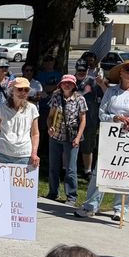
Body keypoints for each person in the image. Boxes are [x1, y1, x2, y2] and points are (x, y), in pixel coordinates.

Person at [76, 60, 129, 221]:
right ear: (121, 73)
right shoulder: (111, 92)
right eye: (128, 70)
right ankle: (90, 206)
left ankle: (120, 209)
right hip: (111, 137)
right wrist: (115, 118)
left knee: (126, 173)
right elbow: (102, 113)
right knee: (101, 171)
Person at [46, 74, 87, 206]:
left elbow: (83, 120)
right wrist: (50, 127)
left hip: (71, 137)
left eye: (69, 83)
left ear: (74, 85)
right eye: (64, 83)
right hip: (56, 136)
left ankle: (71, 196)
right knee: (53, 166)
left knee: (71, 168)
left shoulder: (80, 99)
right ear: (61, 85)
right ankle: (53, 192)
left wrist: (78, 137)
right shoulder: (56, 97)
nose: (67, 85)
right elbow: (50, 116)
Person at [0, 77, 39, 167]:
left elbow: (35, 134)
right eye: (19, 89)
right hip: (2, 154)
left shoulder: (32, 109)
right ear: (12, 90)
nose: (23, 92)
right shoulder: (1, 108)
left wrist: (34, 153)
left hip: (24, 155)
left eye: (26, 90)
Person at [75, 60, 103, 178]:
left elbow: (101, 99)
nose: (81, 72)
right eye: (79, 70)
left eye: (84, 70)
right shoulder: (71, 81)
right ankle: (67, 168)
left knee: (88, 146)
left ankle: (87, 171)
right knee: (70, 145)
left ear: (87, 69)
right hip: (73, 119)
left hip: (90, 119)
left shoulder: (93, 82)